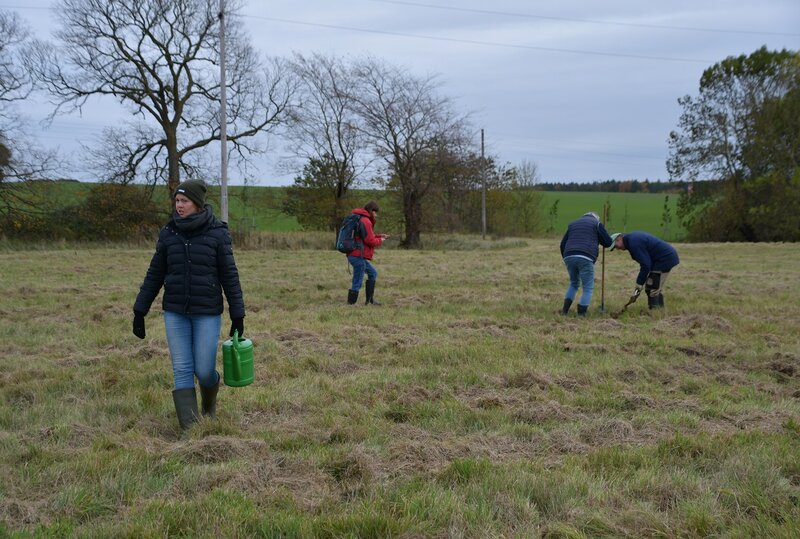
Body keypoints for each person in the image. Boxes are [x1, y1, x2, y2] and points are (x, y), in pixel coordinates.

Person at [132, 180, 245, 433]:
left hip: (206, 313)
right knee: (182, 369)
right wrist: (140, 310)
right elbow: (155, 273)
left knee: (204, 370)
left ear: (197, 203)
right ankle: (191, 431)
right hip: (175, 313)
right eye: (176, 201)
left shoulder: (218, 233)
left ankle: (209, 405)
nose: (178, 205)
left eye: (184, 201)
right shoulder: (169, 233)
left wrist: (238, 314)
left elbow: (230, 275)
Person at [559, 211, 614, 316]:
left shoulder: (573, 224)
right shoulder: (596, 224)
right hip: (586, 256)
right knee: (588, 287)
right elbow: (608, 243)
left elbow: (562, 244)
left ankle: (564, 311)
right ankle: (581, 315)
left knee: (574, 283)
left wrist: (566, 258)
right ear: (596, 218)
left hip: (569, 255)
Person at [609, 231, 679, 309]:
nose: (617, 249)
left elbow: (646, 265)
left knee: (653, 287)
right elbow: (647, 261)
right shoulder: (631, 240)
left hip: (665, 259)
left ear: (619, 239)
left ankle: (656, 313)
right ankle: (659, 311)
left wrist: (639, 283)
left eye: (615, 246)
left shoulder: (633, 243)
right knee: (651, 287)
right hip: (658, 260)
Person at [345, 200, 388, 305]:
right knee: (358, 280)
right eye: (375, 212)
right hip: (357, 255)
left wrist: (379, 236)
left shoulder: (360, 218)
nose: (376, 214)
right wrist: (380, 240)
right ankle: (351, 304)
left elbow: (364, 236)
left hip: (356, 254)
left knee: (373, 273)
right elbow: (370, 241)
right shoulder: (366, 221)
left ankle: (370, 300)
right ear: (371, 211)